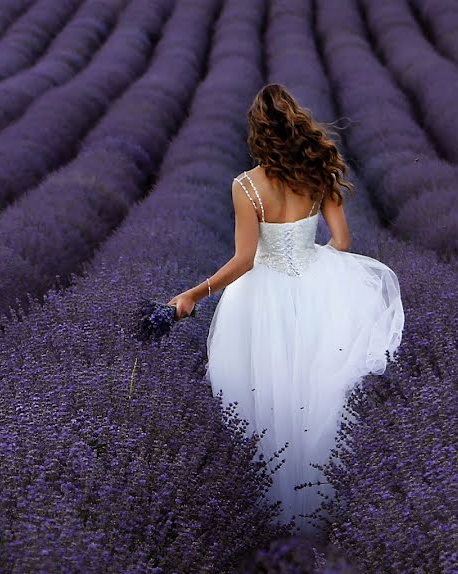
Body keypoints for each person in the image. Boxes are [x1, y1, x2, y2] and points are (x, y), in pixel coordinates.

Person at [166, 83, 405, 535]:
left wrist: (194, 295)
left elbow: (242, 261)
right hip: (317, 285)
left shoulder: (246, 187)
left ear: (257, 132)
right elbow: (344, 241)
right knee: (316, 394)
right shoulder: (318, 171)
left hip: (260, 297)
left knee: (264, 399)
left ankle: (272, 517)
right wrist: (325, 267)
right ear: (297, 123)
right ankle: (324, 508)